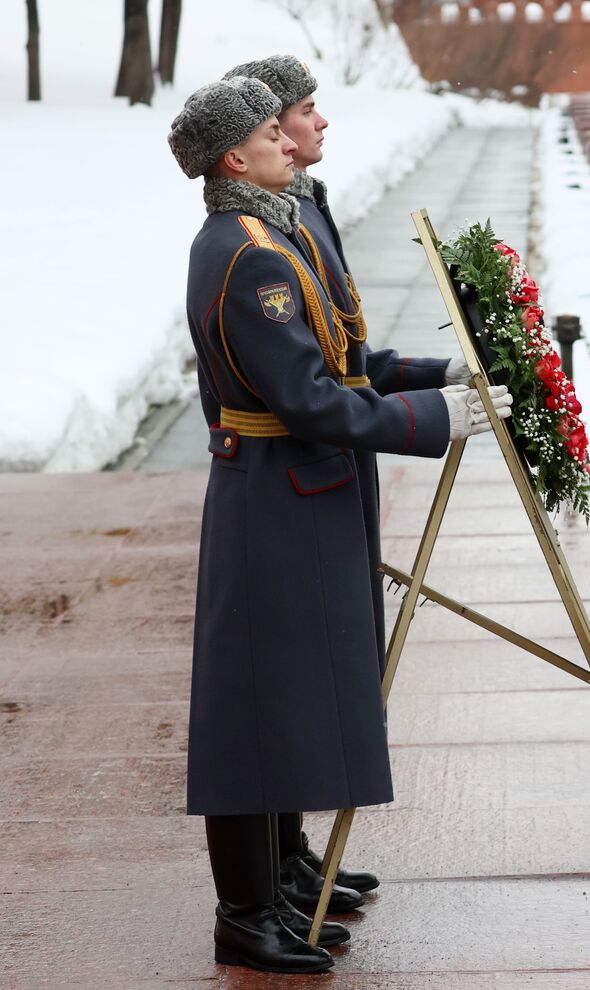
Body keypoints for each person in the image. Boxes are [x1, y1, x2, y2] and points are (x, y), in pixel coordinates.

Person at [168, 77, 510, 973]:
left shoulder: (264, 232)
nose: (290, 135)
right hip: (272, 494)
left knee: (281, 698)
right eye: (266, 133)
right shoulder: (248, 256)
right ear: (233, 158)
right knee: (253, 709)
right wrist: (434, 421)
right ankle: (245, 912)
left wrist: (438, 382)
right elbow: (311, 400)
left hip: (292, 490)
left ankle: (276, 886)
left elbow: (344, 364)